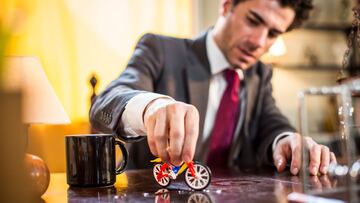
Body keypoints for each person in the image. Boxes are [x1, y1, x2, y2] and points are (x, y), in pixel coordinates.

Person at [90, 0, 336, 175]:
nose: (259, 43)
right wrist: (151, 107)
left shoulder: (260, 74)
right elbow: (105, 102)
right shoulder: (161, 50)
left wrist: (287, 140)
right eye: (253, 21)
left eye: (273, 34)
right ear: (226, 5)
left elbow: (273, 124)